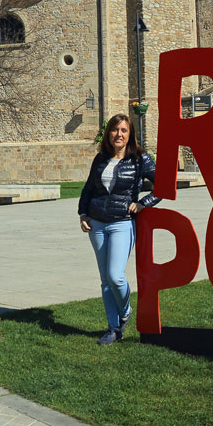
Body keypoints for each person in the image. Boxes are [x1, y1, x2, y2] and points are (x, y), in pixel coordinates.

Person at [78, 114, 160, 345]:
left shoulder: (140, 159)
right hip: (96, 223)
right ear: (109, 133)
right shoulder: (101, 158)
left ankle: (125, 311)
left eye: (124, 130)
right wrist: (83, 213)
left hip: (122, 223)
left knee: (116, 276)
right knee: (105, 280)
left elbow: (164, 184)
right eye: (115, 130)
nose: (119, 134)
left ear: (130, 134)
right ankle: (113, 328)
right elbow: (88, 188)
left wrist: (144, 203)